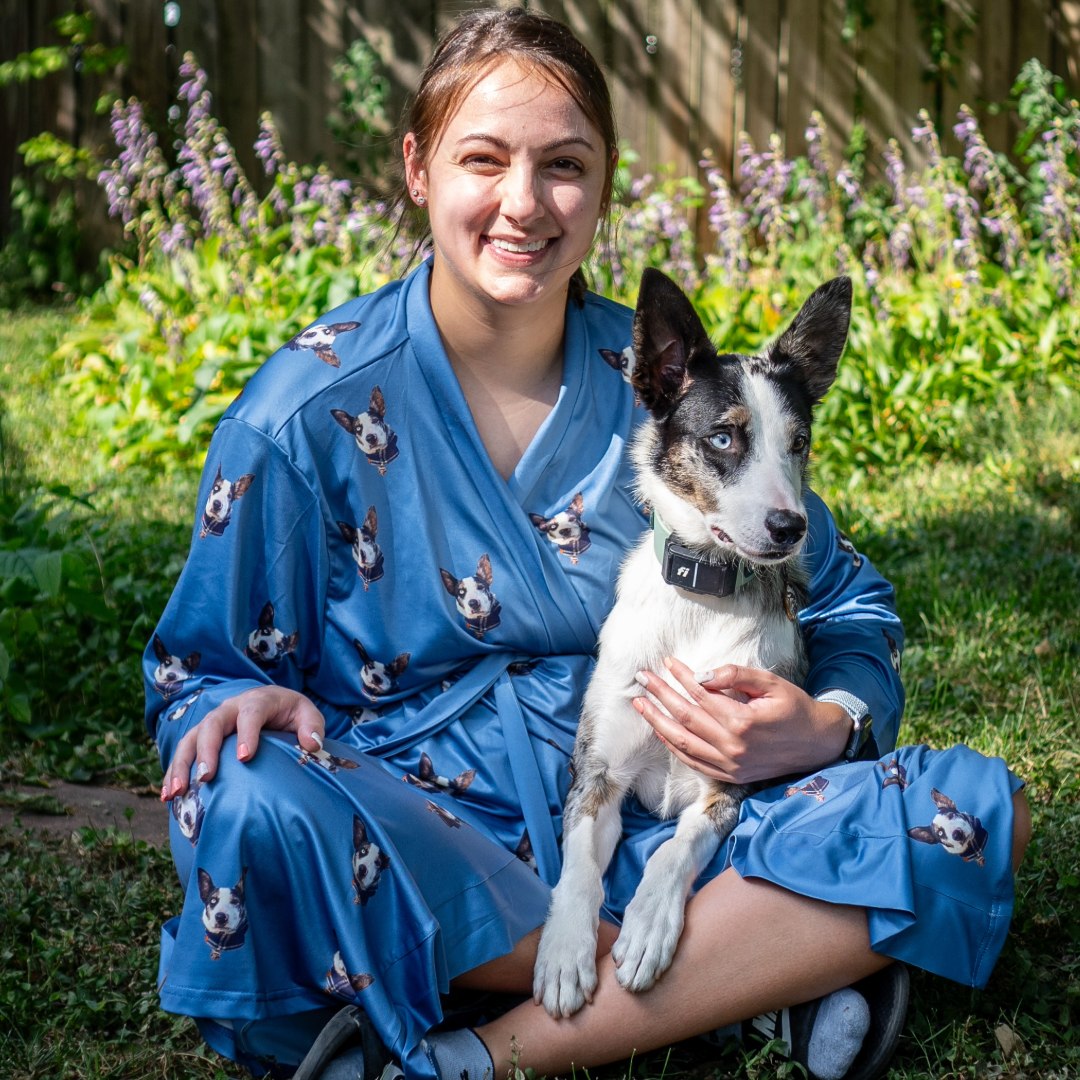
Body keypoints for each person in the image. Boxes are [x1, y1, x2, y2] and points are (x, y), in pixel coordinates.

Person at [149, 10, 1031, 1080]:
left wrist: (825, 725)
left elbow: (845, 602)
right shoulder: (302, 410)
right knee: (247, 807)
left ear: (605, 185)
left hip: (667, 816)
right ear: (419, 169)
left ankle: (478, 1049)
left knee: (973, 810)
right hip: (415, 828)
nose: (524, 202)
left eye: (564, 165)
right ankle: (735, 976)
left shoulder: (673, 392)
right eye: (484, 160)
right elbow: (198, 673)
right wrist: (233, 702)